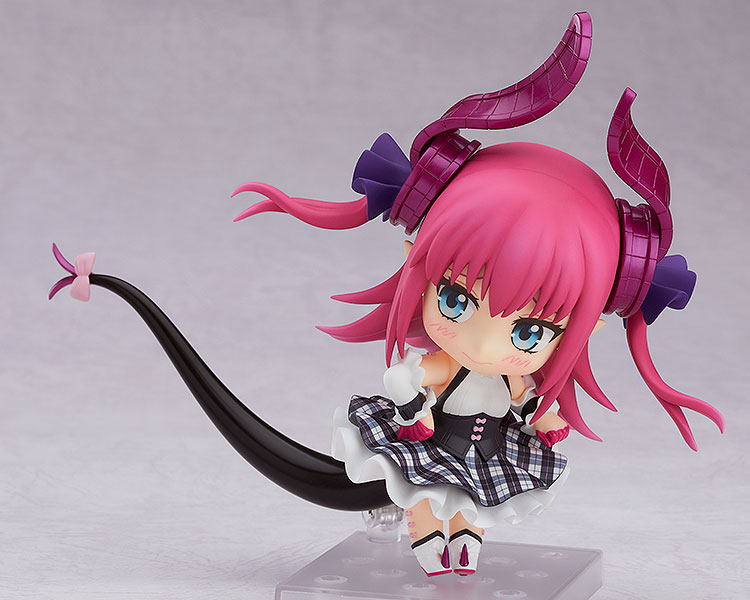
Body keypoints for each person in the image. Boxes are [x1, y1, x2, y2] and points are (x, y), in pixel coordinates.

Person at [50, 12, 723, 578]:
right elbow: (414, 384)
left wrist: (542, 418)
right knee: (426, 495)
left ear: (588, 326)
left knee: (468, 506)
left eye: (528, 332)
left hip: (485, 456)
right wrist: (413, 397)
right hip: (430, 445)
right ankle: (429, 536)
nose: (485, 342)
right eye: (456, 301)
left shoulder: (518, 384)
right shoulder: (443, 366)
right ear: (415, 263)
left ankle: (461, 543)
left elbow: (530, 409)